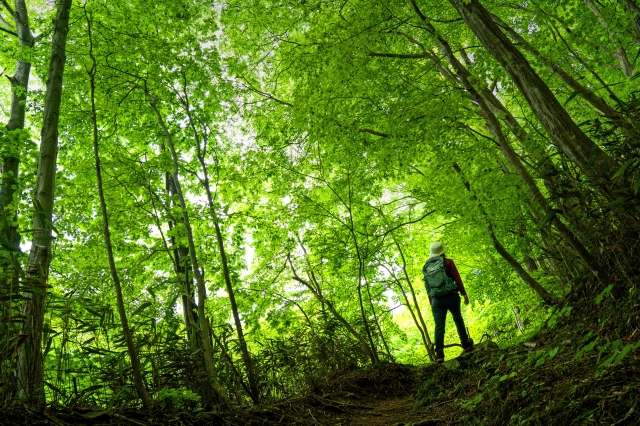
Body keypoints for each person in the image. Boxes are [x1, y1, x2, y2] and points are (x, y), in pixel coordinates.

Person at [423, 242, 473, 363]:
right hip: (451, 296)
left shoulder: (426, 267)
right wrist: (463, 293)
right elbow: (457, 278)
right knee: (457, 318)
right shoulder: (448, 262)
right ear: (442, 252)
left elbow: (427, 287)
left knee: (439, 326)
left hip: (436, 301)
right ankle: (465, 342)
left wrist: (432, 302)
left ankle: (439, 353)